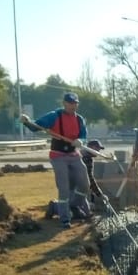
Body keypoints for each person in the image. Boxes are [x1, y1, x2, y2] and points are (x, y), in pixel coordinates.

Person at [21, 92, 92, 229]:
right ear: (64, 103)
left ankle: (73, 205)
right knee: (63, 188)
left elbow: (83, 135)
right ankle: (65, 219)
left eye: (75, 103)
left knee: (84, 184)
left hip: (74, 155)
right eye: (70, 103)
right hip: (58, 155)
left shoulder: (79, 119)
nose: (73, 106)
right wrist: (26, 121)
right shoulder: (54, 116)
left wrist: (80, 140)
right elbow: (36, 126)